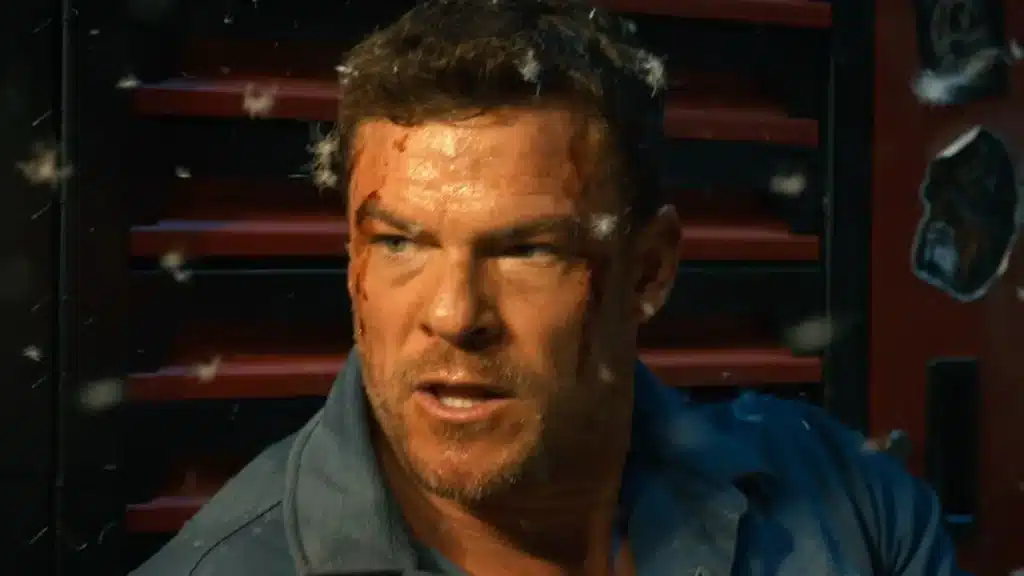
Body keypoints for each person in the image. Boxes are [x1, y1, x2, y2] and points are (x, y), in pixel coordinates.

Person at [131, 1, 968, 574]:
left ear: (649, 271)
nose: (454, 315)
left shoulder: (857, 510)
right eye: (400, 243)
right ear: (354, 266)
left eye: (527, 250)